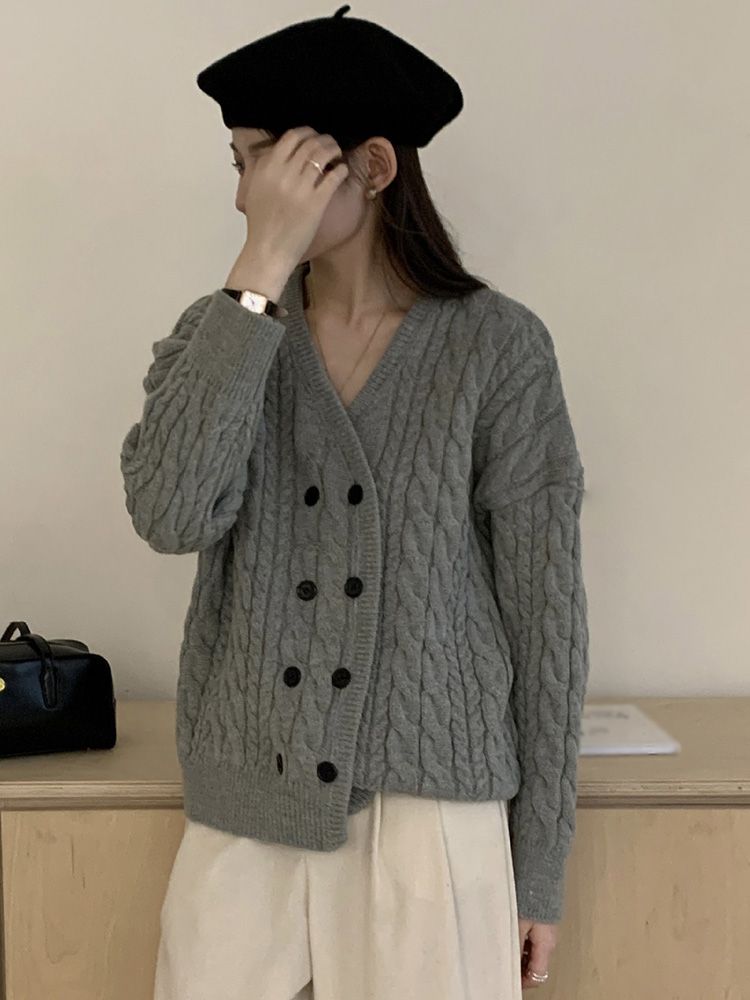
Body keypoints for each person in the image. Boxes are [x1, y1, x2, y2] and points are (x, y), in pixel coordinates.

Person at [121, 7, 590, 998]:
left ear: (371, 167)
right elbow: (169, 513)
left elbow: (546, 617)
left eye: (265, 159)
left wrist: (541, 862)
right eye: (239, 162)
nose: (245, 192)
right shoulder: (221, 336)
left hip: (431, 825)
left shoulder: (498, 348)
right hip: (244, 816)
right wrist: (259, 272)